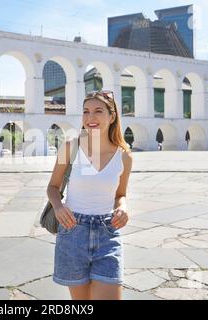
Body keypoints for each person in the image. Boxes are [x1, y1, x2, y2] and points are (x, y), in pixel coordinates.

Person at [46, 90, 133, 300]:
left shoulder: (124, 156)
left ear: (112, 117)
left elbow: (121, 194)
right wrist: (58, 206)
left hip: (108, 233)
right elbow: (53, 187)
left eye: (97, 111)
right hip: (73, 230)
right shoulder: (70, 148)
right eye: (86, 112)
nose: (90, 118)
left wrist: (123, 207)